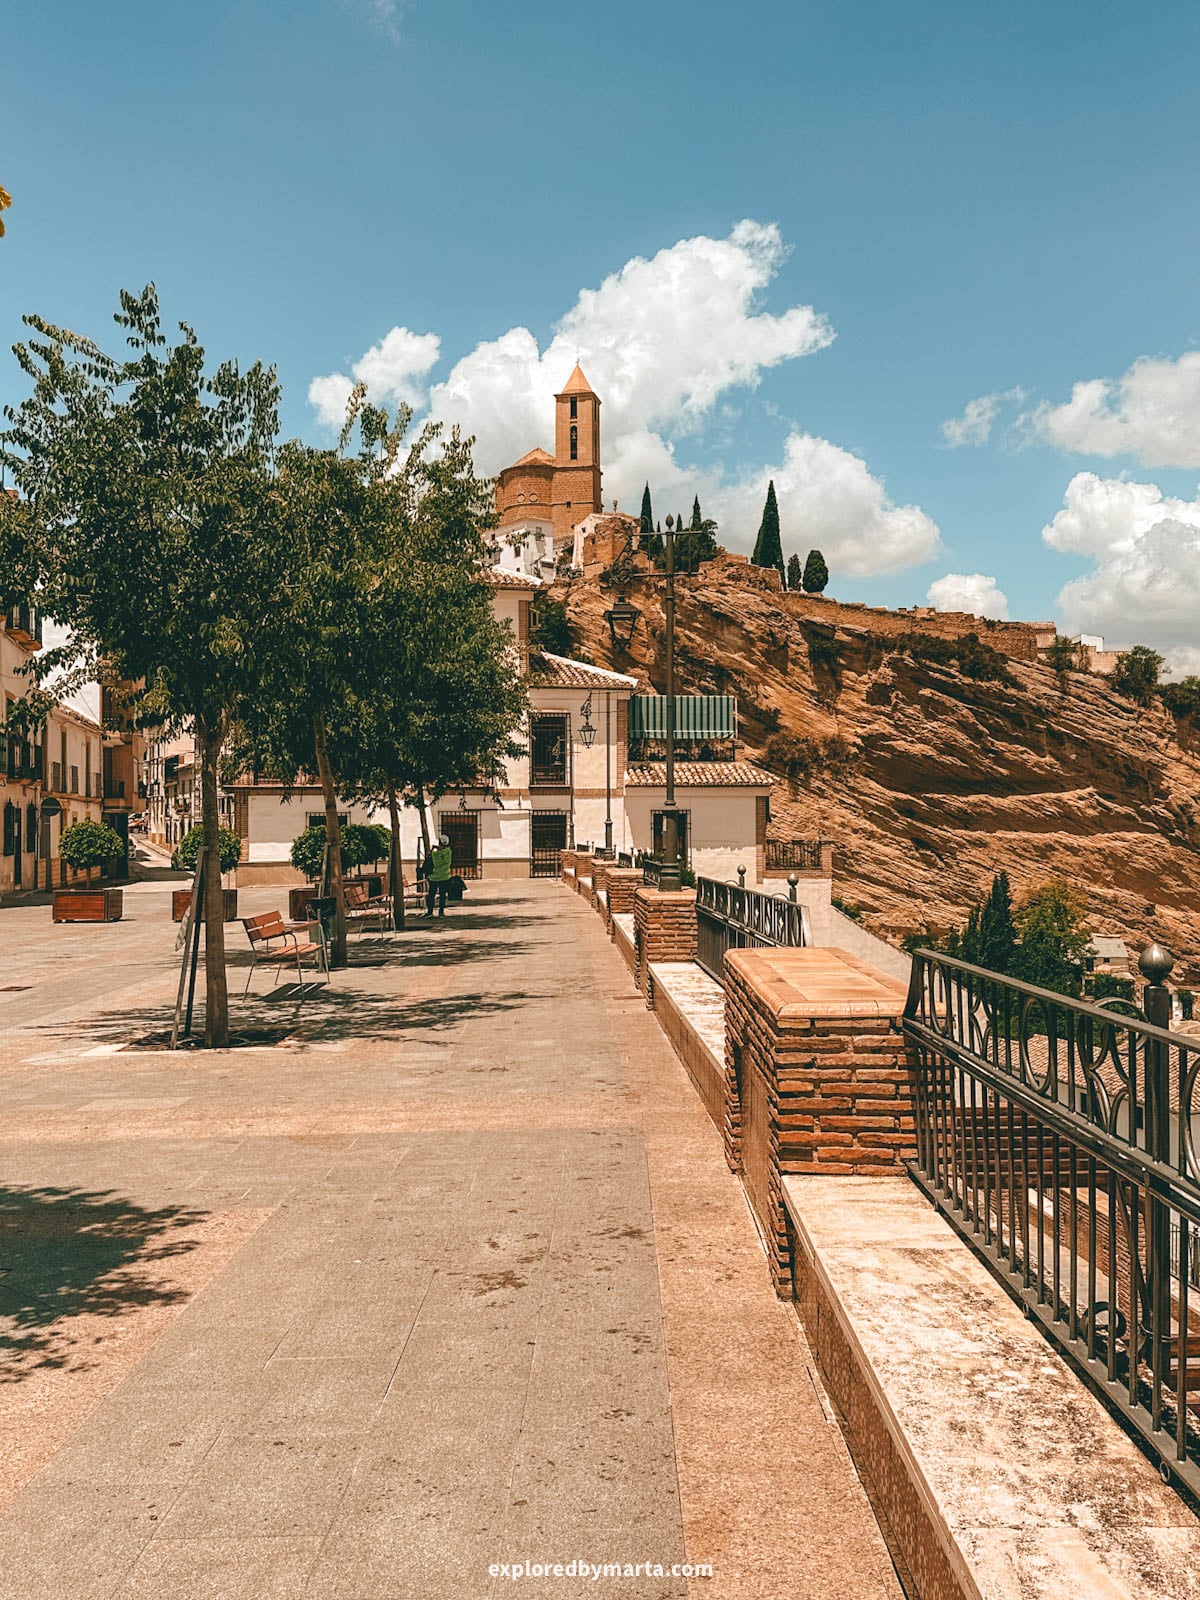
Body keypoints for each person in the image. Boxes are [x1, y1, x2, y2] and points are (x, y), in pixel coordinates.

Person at [425, 833, 454, 917]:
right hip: (445, 876)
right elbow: (444, 849)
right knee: (442, 895)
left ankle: (430, 912)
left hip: (434, 877)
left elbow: (429, 858)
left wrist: (433, 848)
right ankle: (441, 913)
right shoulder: (449, 852)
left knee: (431, 895)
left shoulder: (435, 854)